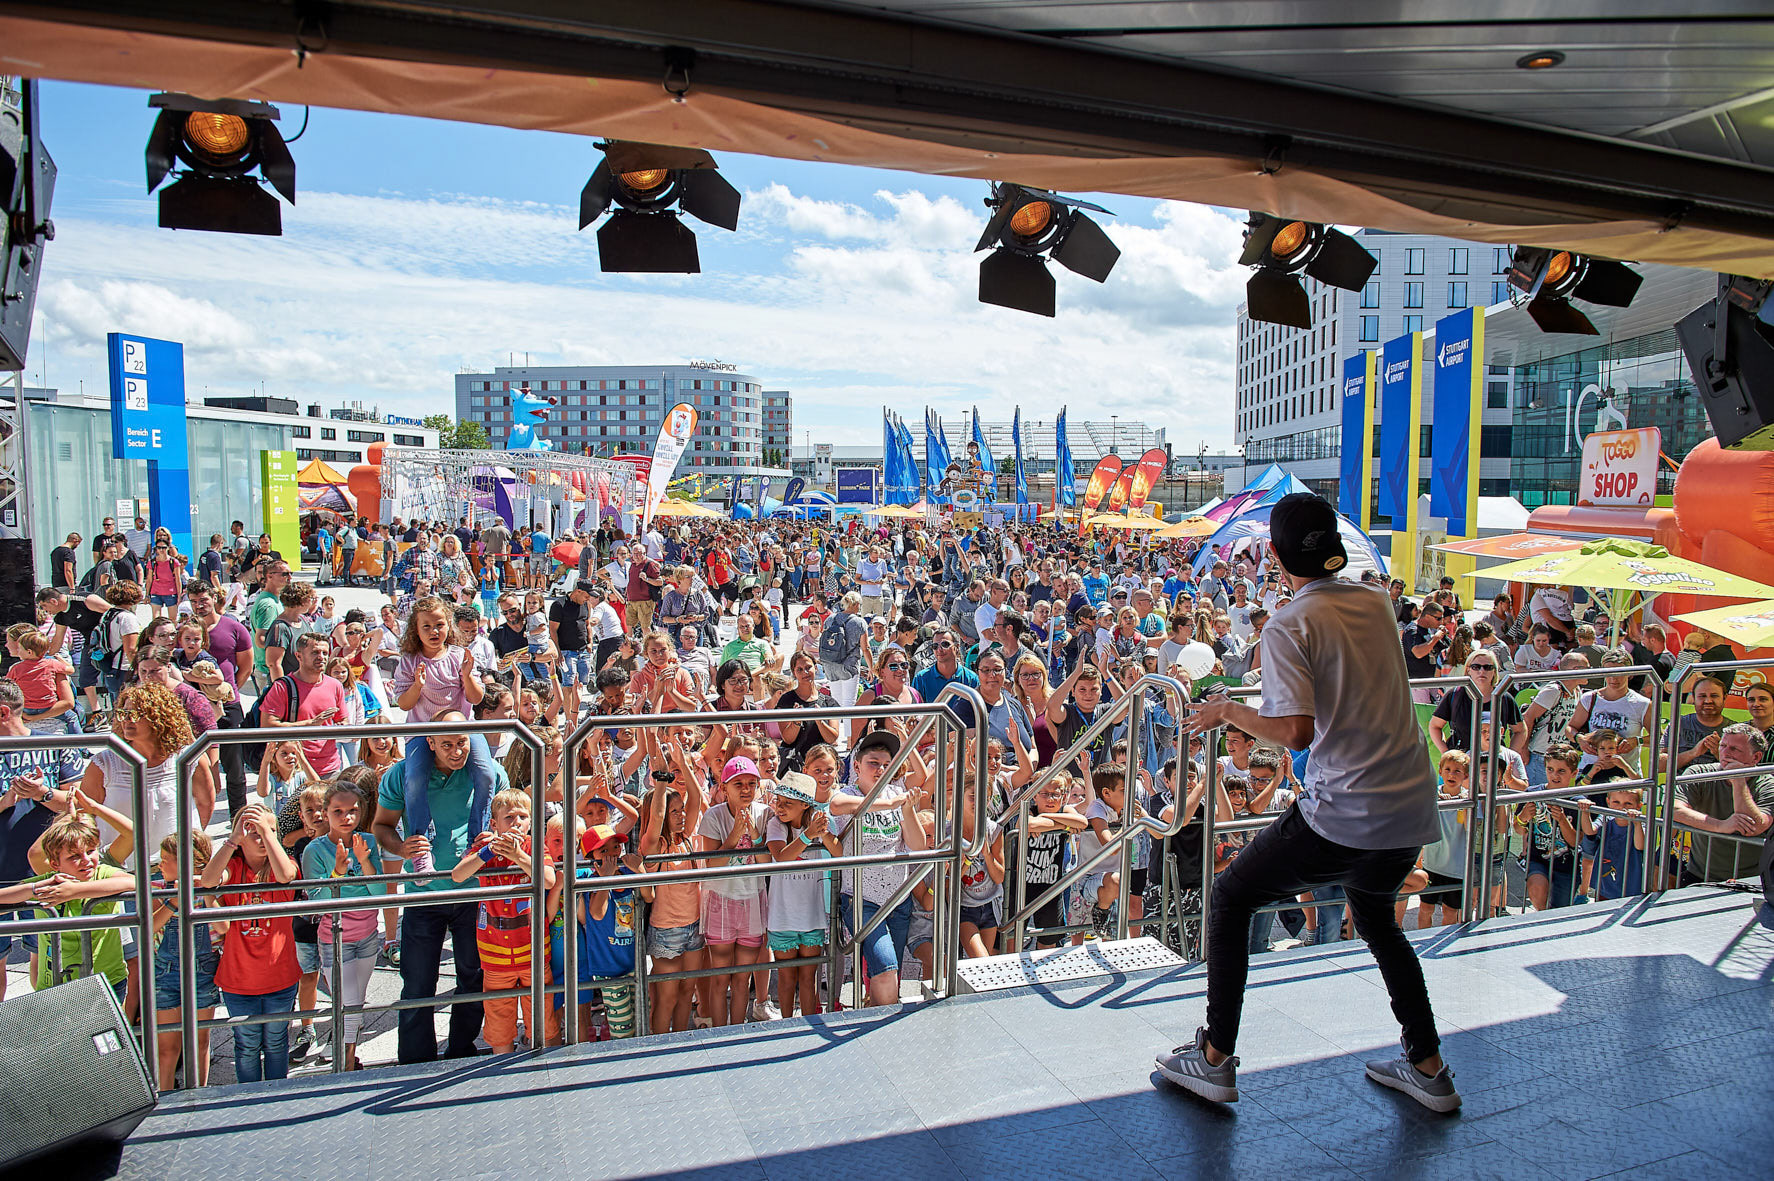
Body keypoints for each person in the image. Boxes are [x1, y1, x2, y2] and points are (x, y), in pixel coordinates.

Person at [1162, 493, 1458, 1113]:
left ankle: (1214, 1057)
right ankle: (1428, 1068)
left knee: (1230, 896)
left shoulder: (1288, 625)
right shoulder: (1376, 602)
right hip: (1410, 805)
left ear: (1273, 554)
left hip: (1344, 811)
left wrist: (1227, 710)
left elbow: (1295, 731)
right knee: (1377, 918)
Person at [372, 716, 512, 1063]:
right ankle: (414, 1061)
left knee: (473, 977)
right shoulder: (400, 774)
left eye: (461, 742)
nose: (456, 751)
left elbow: (513, 819)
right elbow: (381, 825)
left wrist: (496, 836)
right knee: (418, 983)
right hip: (425, 895)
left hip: (475, 893)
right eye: (446, 744)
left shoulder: (491, 772)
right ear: (430, 743)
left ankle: (461, 1050)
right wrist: (402, 848)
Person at [451, 786, 555, 1054]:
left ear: (531, 822)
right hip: (494, 953)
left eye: (523, 817)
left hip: (533, 952)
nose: (516, 823)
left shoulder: (534, 846)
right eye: (509, 817)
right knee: (499, 1019)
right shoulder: (484, 848)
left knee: (542, 1016)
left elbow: (548, 880)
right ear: (494, 824)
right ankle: (502, 1064)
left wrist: (518, 856)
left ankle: (545, 1061)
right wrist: (487, 852)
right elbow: (458, 875)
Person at [202, 802, 301, 1082]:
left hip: (280, 978)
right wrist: (233, 839)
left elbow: (286, 876)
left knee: (276, 1043)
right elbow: (208, 880)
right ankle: (248, 1098)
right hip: (239, 980)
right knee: (246, 1047)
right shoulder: (233, 868)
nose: (262, 838)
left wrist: (269, 836)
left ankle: (275, 1096)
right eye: (254, 833)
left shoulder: (285, 863)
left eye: (269, 831)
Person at [1673, 723, 1774, 884]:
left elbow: (1752, 826)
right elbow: (1674, 810)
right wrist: (1721, 826)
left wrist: (1738, 781)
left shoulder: (1768, 784)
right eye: (1723, 746)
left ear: (1756, 757)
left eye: (1734, 749)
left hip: (1751, 880)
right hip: (1700, 874)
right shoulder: (1699, 773)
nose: (1725, 753)